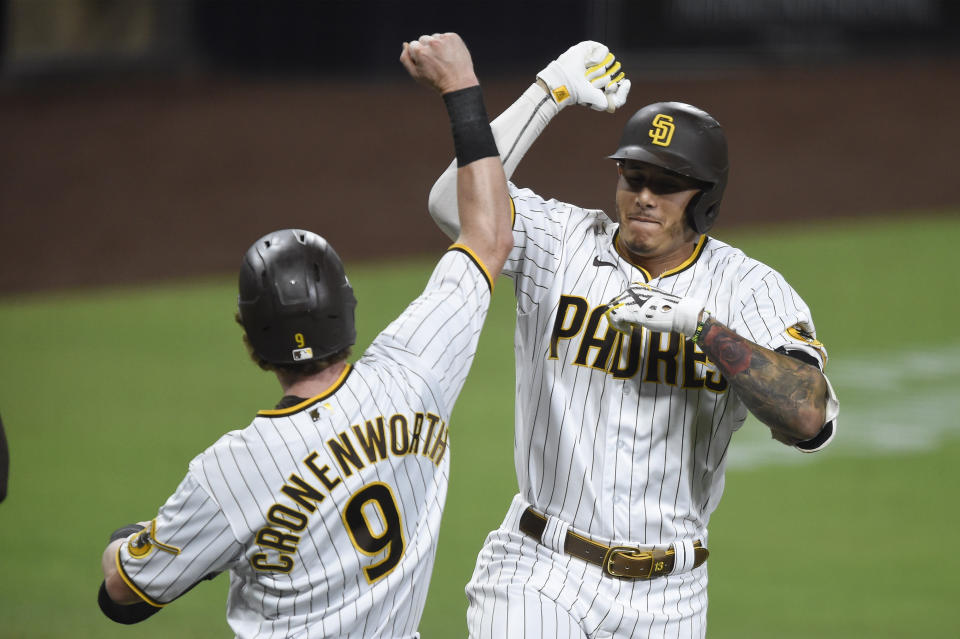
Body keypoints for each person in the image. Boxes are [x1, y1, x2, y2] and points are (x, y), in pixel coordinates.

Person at [97, 32, 512, 638]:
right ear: (347, 306)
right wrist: (461, 87)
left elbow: (123, 594)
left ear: (250, 338)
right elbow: (487, 235)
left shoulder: (230, 476)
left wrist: (125, 544)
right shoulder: (415, 373)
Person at [427, 42, 839, 637]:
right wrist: (549, 93)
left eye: (668, 183)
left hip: (672, 596)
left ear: (707, 199)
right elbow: (449, 202)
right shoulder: (560, 241)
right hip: (541, 569)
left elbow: (807, 413)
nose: (644, 195)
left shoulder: (749, 289)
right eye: (634, 175)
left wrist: (705, 329)